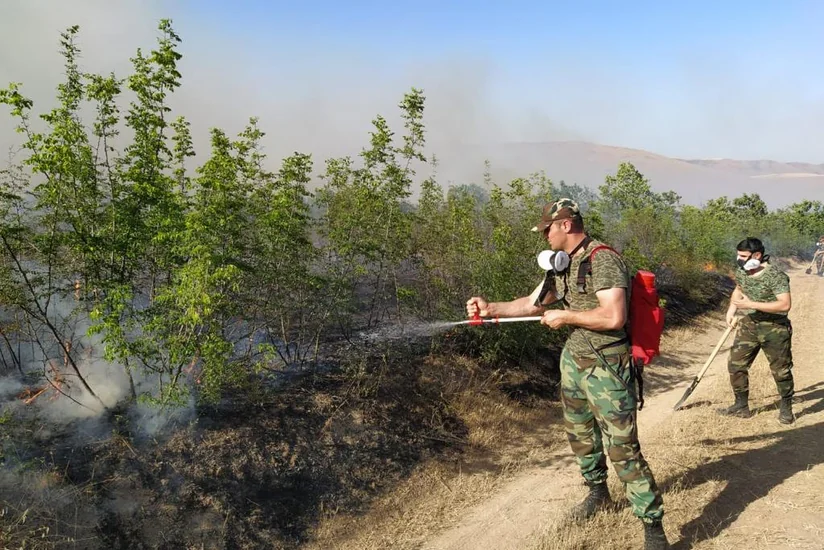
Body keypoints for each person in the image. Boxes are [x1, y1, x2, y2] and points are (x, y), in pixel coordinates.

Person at [466, 199, 669, 549]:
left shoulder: (602, 260)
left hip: (606, 365)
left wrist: (566, 317)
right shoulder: (562, 263)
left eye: (546, 229)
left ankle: (653, 528)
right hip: (575, 362)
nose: (544, 236)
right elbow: (534, 303)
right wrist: (492, 308)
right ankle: (597, 493)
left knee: (622, 447)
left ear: (565, 225)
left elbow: (613, 317)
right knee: (581, 436)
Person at [718, 237, 795, 424]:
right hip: (750, 325)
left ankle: (786, 408)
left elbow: (785, 305)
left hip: (775, 328)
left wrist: (750, 303)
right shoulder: (742, 271)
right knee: (735, 365)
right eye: (738, 255)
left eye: (743, 255)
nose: (739, 259)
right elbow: (739, 289)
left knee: (781, 370)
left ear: (757, 255)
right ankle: (741, 406)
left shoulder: (775, 275)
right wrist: (731, 310)